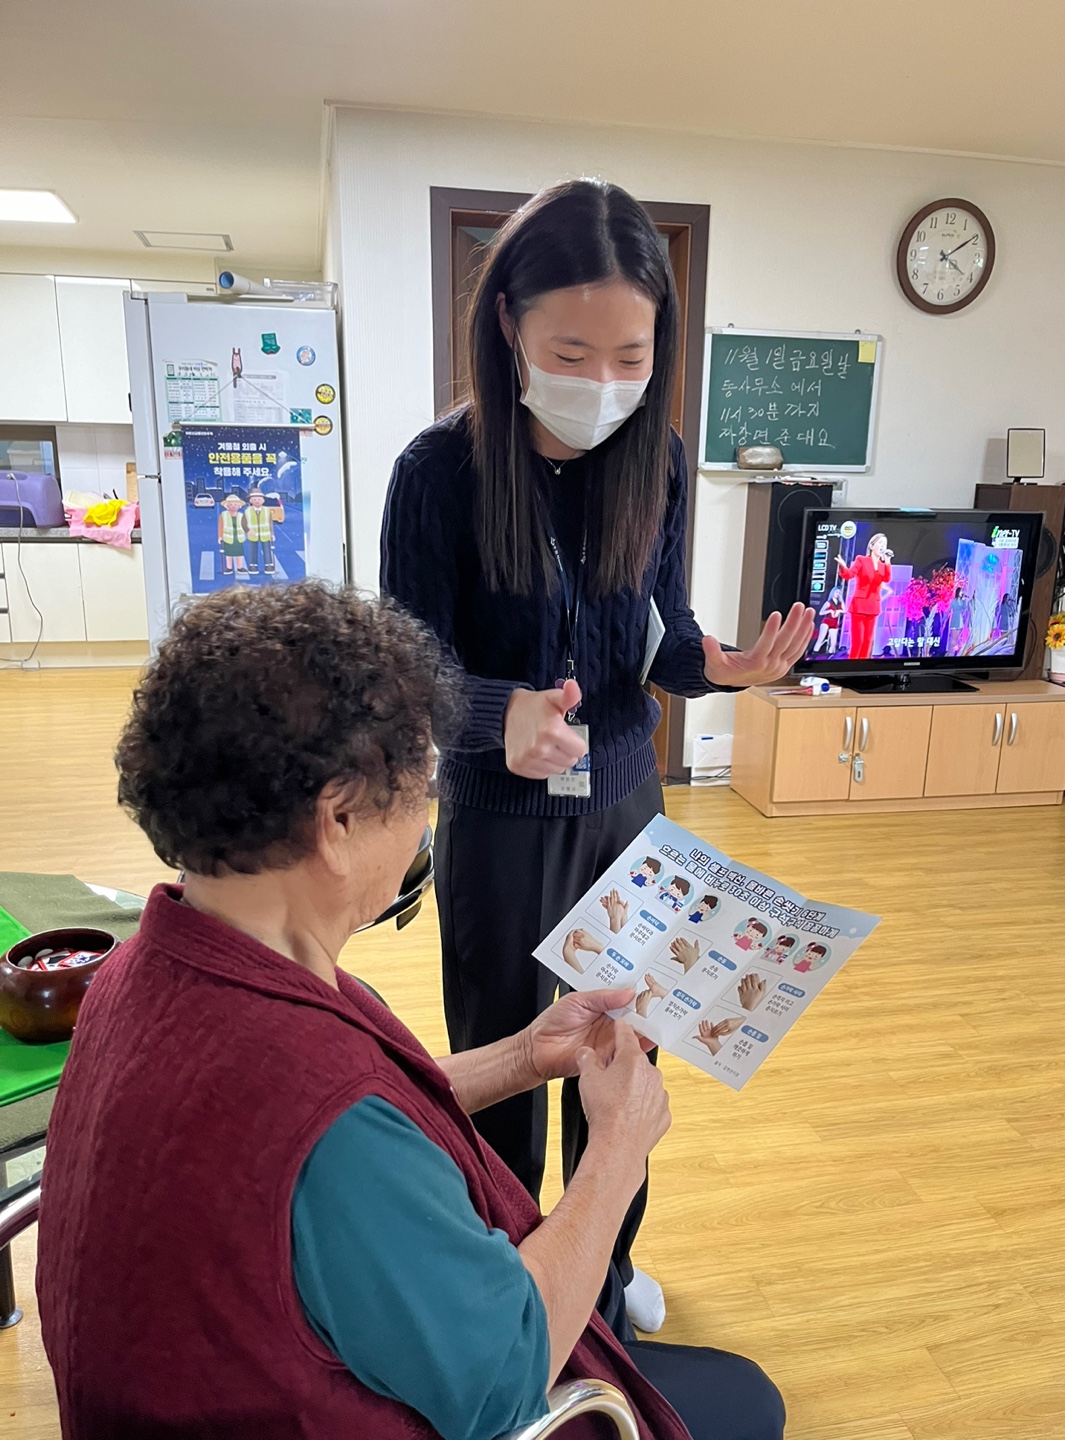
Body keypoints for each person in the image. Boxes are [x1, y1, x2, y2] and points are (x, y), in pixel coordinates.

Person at [34, 584, 785, 1440]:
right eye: (420, 793)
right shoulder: (320, 1112)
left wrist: (526, 1056)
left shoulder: (147, 969)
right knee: (750, 1404)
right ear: (340, 822)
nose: (426, 821)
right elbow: (504, 1378)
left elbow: (358, 1128)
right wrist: (614, 1152)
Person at [381, 179, 813, 1331]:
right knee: (509, 1060)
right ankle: (504, 1284)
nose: (606, 383)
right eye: (576, 351)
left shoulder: (658, 462)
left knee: (627, 1055)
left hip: (629, 805)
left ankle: (605, 1278)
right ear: (509, 324)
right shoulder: (439, 472)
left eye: (632, 355)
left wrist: (714, 668)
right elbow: (403, 666)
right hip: (504, 820)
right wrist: (493, 713)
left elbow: (656, 631)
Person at [836, 533, 892, 660]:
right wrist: (843, 566)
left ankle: (862, 668)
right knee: (858, 640)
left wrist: (888, 562)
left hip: (873, 606)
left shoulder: (883, 566)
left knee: (867, 640)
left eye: (885, 544)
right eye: (880, 543)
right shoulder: (861, 560)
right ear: (872, 546)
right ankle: (852, 667)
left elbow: (887, 579)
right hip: (859, 606)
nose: (883, 546)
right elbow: (849, 574)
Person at [244, 486, 284, 575]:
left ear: (263, 500)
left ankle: (268, 565)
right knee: (252, 550)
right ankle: (253, 565)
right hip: (252, 535)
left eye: (259, 499)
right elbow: (244, 522)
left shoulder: (267, 511)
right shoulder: (248, 511)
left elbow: (270, 523)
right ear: (250, 501)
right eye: (254, 499)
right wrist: (247, 531)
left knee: (267, 550)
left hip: (265, 535)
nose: (257, 501)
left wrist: (272, 534)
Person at [217, 491, 248, 576]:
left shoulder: (241, 515)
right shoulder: (223, 515)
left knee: (239, 553)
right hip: (228, 538)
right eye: (231, 504)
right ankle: (229, 567)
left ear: (239, 506)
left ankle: (240, 567)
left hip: (238, 538)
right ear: (227, 506)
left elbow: (245, 525)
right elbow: (221, 526)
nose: (233, 506)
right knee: (228, 554)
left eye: (235, 505)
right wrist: (220, 536)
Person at [812, 587, 845, 654]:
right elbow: (821, 612)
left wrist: (839, 610)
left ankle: (829, 656)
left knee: (833, 643)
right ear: (833, 593)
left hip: (834, 623)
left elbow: (845, 610)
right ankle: (814, 653)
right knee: (821, 638)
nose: (837, 594)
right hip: (826, 621)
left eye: (839, 593)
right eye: (836, 592)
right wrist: (829, 611)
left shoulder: (840, 603)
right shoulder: (828, 603)